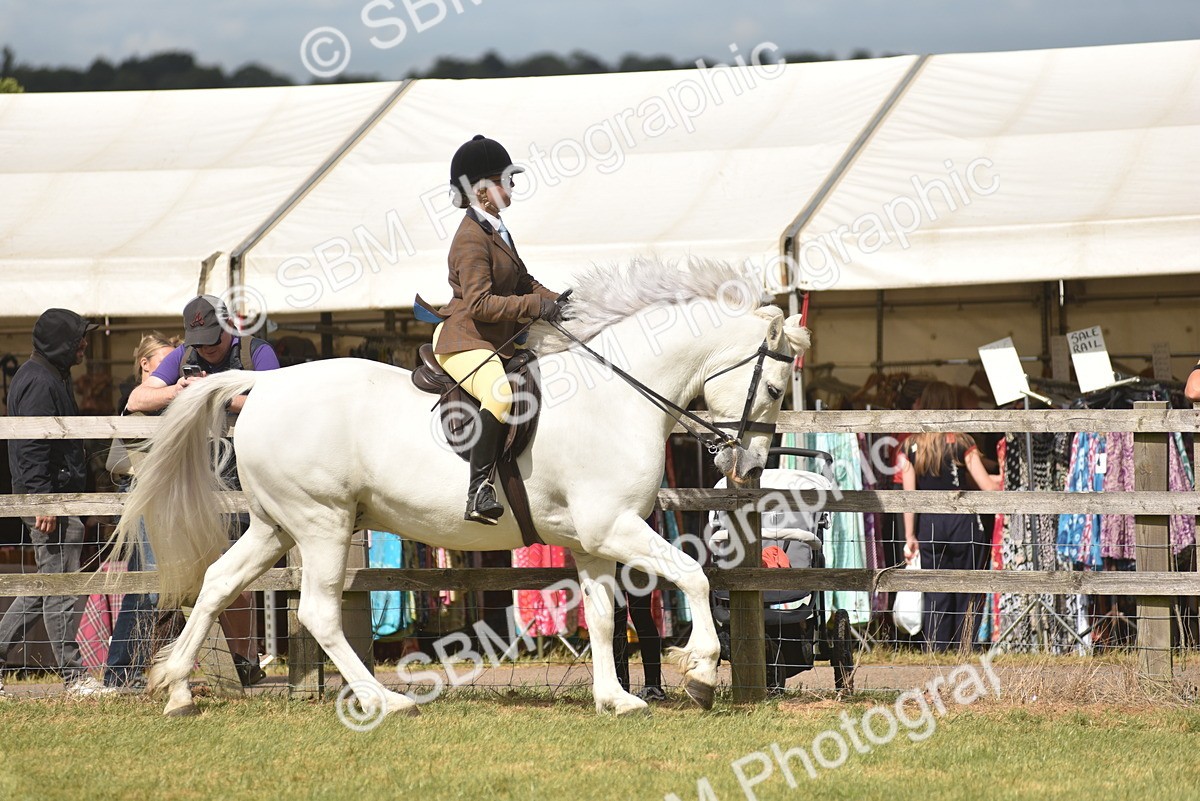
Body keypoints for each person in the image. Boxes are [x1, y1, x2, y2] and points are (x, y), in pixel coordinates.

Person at [128, 296, 280, 685]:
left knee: (239, 577)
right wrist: (176, 391)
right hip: (194, 485)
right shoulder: (181, 356)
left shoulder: (257, 352)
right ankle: (162, 666)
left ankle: (246, 666)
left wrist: (219, 397)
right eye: (200, 340)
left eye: (213, 338)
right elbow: (137, 399)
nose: (207, 347)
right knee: (181, 574)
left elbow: (279, 404)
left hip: (246, 480)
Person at [430, 135, 564, 524]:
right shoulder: (471, 238)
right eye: (505, 179)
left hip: (492, 339)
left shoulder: (496, 228)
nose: (512, 186)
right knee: (500, 394)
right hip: (463, 339)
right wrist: (537, 307)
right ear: (481, 190)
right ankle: (479, 490)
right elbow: (481, 304)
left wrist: (563, 303)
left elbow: (524, 282)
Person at [0, 309, 114, 697]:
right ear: (61, 341)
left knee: (46, 587)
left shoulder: (49, 376)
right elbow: (30, 446)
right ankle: (74, 676)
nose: (85, 344)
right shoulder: (38, 381)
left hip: (58, 500)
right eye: (80, 337)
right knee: (60, 588)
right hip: (51, 503)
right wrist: (43, 501)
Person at [900, 381, 1001, 653]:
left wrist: (910, 535)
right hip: (963, 521)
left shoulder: (910, 445)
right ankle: (964, 646)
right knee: (967, 584)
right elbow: (987, 487)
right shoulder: (962, 440)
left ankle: (936, 648)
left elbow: (908, 496)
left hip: (930, 524)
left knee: (935, 588)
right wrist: (1007, 474)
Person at [103, 333, 177, 689]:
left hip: (161, 493)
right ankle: (122, 673)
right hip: (141, 490)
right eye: (161, 362)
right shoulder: (134, 396)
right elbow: (134, 405)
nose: (168, 369)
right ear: (145, 364)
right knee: (147, 584)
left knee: (147, 584)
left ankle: (125, 673)